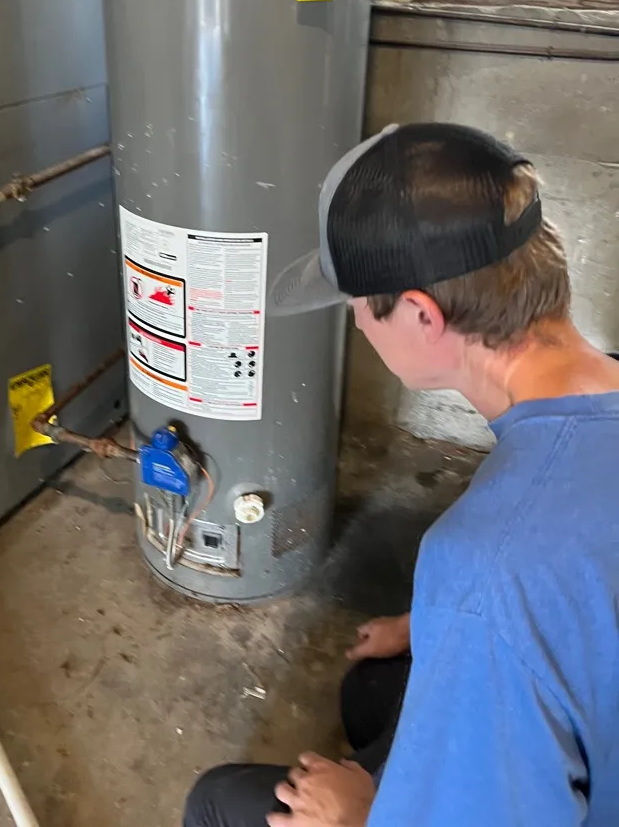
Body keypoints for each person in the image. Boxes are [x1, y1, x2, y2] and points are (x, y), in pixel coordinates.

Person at [184, 122, 619, 827]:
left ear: (420, 314)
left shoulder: (485, 567)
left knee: (216, 802)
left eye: (359, 303)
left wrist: (368, 813)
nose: (357, 323)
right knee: (372, 690)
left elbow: (515, 593)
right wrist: (433, 624)